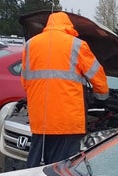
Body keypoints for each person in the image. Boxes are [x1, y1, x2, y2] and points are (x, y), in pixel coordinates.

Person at [20, 12, 108, 168]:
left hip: (41, 120)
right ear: (69, 26)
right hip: (68, 121)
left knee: (36, 169)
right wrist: (102, 96)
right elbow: (96, 74)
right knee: (63, 169)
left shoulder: (30, 45)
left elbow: (25, 81)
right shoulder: (77, 44)